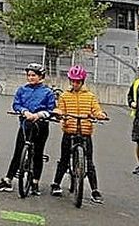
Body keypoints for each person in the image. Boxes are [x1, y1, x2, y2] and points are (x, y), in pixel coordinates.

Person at [0, 63, 57, 195]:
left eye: (33, 75)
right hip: (25, 125)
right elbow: (16, 104)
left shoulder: (48, 92)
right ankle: (8, 179)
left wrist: (40, 114)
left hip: (41, 125)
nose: (30, 77)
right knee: (18, 152)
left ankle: (35, 182)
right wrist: (24, 111)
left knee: (38, 154)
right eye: (29, 75)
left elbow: (51, 109)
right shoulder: (22, 89)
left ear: (41, 77)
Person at [49, 64, 107, 203]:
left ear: (82, 82)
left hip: (85, 132)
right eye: (73, 81)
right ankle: (56, 184)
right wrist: (58, 113)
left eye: (78, 81)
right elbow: (60, 109)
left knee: (89, 162)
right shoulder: (64, 96)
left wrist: (100, 115)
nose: (75, 84)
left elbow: (96, 110)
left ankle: (94, 190)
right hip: (69, 131)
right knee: (63, 159)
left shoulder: (90, 96)